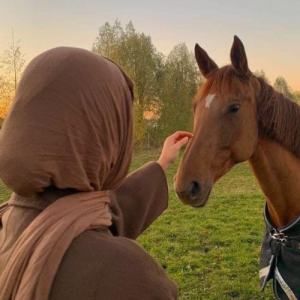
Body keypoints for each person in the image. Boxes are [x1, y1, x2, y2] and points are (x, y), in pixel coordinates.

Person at [0, 47, 192, 300]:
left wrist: (162, 162)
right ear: (106, 132)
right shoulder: (126, 276)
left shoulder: (8, 220)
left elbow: (110, 211)